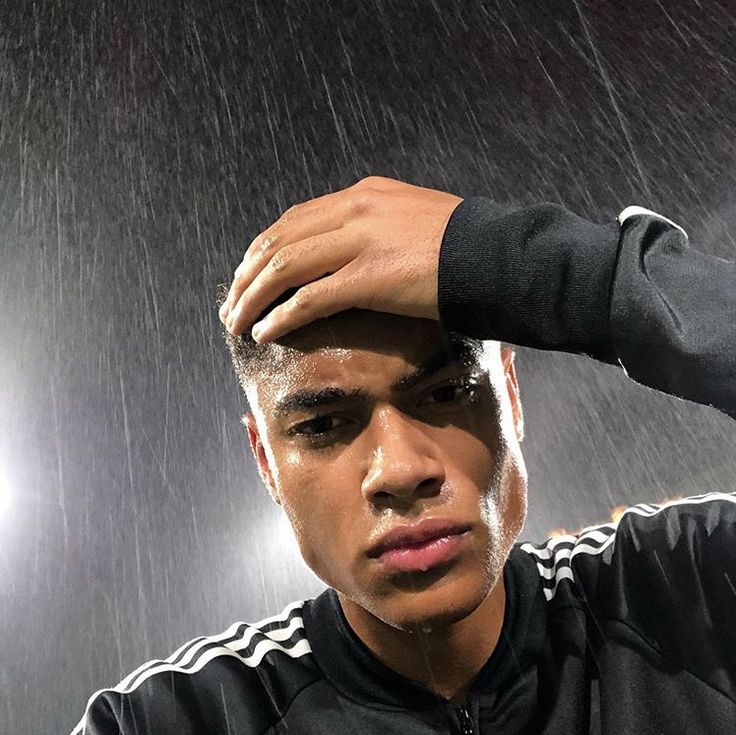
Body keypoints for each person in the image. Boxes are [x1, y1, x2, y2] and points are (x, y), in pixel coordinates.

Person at [71, 176, 735, 734]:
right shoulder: (173, 720)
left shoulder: (691, 586)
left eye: (446, 392)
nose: (400, 468)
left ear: (510, 390)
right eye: (325, 424)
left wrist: (535, 265)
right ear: (266, 461)